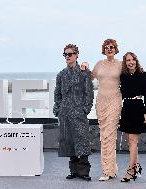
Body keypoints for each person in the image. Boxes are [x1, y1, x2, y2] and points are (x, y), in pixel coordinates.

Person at [53, 44, 93, 181]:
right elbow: (57, 94)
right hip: (65, 112)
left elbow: (89, 93)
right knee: (69, 141)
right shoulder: (61, 74)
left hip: (79, 112)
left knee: (82, 141)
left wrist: (85, 109)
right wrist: (58, 109)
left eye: (70, 54)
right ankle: (74, 171)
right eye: (65, 54)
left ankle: (84, 172)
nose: (67, 57)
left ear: (77, 55)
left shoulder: (84, 73)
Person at [88, 39, 122, 181]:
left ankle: (107, 171)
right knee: (104, 136)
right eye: (107, 47)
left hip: (115, 101)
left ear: (115, 49)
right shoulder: (99, 65)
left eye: (112, 47)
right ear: (104, 49)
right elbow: (87, 77)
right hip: (101, 102)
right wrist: (84, 67)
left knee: (109, 134)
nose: (109, 49)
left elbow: (134, 73)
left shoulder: (121, 65)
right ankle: (112, 169)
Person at [119, 52, 146, 182]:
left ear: (136, 61)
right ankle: (136, 166)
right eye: (128, 60)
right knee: (130, 141)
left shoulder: (143, 75)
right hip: (126, 108)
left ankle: (130, 171)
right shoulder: (123, 76)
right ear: (125, 63)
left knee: (133, 141)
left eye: (132, 60)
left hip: (138, 107)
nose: (130, 62)